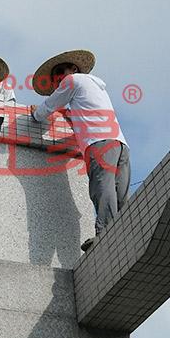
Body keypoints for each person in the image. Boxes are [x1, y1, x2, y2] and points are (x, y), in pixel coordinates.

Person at [29, 50, 130, 252]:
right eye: (55, 77)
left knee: (102, 187)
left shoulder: (72, 81)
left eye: (59, 72)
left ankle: (105, 234)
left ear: (73, 69)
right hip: (119, 143)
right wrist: (68, 114)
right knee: (121, 195)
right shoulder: (95, 86)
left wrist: (36, 113)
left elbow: (47, 107)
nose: (57, 79)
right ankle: (126, 237)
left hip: (99, 143)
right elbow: (84, 112)